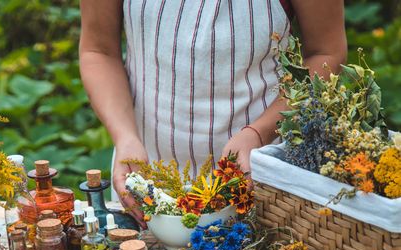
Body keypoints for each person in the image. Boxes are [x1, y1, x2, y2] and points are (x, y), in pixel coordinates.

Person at [79, 0, 346, 226]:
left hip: (259, 182)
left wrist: (260, 133)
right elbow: (98, 51)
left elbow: (326, 53)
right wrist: (124, 135)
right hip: (144, 179)